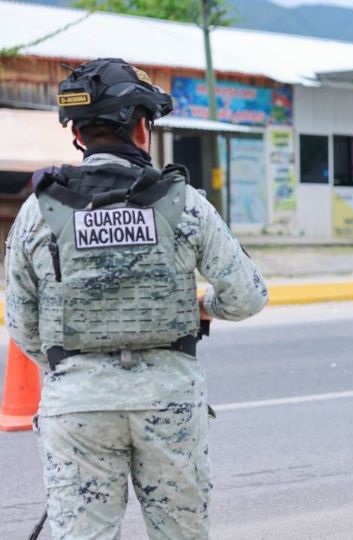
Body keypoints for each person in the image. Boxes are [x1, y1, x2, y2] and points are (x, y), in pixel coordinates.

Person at [4, 58, 268, 539]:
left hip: (77, 404)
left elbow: (21, 322)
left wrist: (75, 368)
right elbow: (248, 295)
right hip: (168, 400)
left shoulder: (37, 210)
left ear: (79, 134)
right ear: (141, 128)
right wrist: (202, 306)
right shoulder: (183, 201)